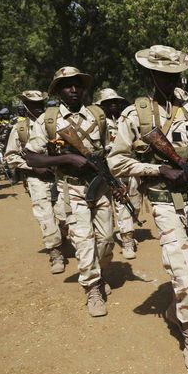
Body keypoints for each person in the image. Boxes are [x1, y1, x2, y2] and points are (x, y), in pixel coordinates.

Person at [108, 45, 188, 373]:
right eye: (163, 75)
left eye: (174, 75)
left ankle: (176, 309)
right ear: (151, 75)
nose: (170, 81)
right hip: (165, 202)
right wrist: (158, 170)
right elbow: (115, 160)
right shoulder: (136, 114)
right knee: (182, 274)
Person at [24, 67, 115, 317]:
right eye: (67, 85)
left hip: (100, 186)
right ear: (58, 90)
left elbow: (111, 151)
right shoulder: (49, 120)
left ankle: (100, 269)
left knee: (106, 239)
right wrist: (65, 159)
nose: (73, 89)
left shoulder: (98, 116)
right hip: (70, 187)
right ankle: (92, 287)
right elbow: (31, 157)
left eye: (77, 84)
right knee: (84, 239)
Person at [3, 90, 68, 273]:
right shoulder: (20, 129)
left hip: (60, 176)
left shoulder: (54, 122)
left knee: (64, 214)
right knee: (45, 216)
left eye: (41, 104)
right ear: (25, 106)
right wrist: (33, 167)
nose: (38, 108)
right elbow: (11, 157)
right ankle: (55, 253)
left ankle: (64, 237)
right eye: (33, 104)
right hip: (36, 179)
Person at [94, 88, 143, 260]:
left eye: (115, 102)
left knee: (134, 204)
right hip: (107, 169)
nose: (113, 105)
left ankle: (124, 230)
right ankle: (127, 241)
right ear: (102, 106)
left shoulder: (125, 120)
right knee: (120, 203)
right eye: (108, 103)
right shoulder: (99, 123)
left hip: (129, 167)